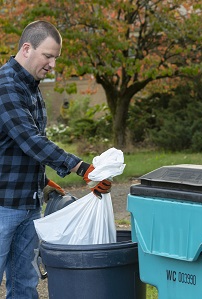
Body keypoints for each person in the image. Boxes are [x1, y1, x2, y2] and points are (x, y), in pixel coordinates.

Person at [0, 20, 111, 298]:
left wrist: (44, 181)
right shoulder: (6, 85)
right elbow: (30, 139)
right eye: (48, 56)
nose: (52, 64)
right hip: (2, 205)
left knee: (25, 282)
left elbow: (17, 147)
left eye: (55, 58)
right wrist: (81, 167)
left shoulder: (31, 87)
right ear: (27, 49)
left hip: (27, 204)